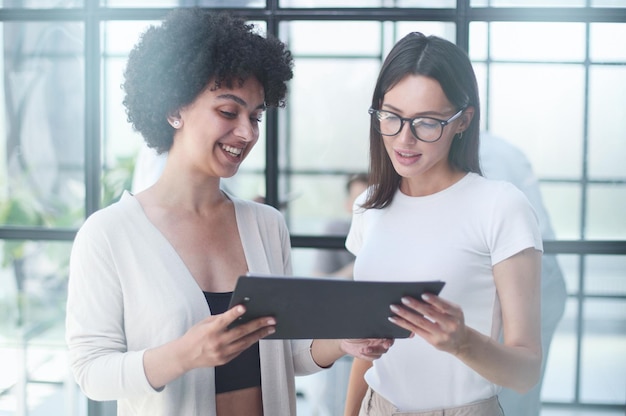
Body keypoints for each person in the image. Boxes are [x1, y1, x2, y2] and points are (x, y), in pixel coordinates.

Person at [65, 9, 392, 416]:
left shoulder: (266, 224)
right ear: (174, 109)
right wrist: (186, 353)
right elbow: (90, 370)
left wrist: (342, 341)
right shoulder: (109, 234)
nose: (248, 132)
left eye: (255, 116)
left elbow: (284, 353)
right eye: (228, 112)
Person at [343, 32, 543, 416]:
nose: (405, 138)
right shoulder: (368, 206)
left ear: (463, 121)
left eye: (427, 123)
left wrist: (463, 342)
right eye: (392, 116)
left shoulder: (501, 206)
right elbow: (367, 351)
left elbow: (526, 372)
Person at [480, 132, 567, 416]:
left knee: (511, 393)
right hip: (543, 279)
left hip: (528, 282)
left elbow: (494, 223)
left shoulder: (486, 157)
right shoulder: (500, 148)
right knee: (521, 394)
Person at [311, 172, 369, 279]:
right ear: (347, 204)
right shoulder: (335, 230)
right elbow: (318, 281)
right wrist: (358, 267)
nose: (367, 206)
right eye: (359, 200)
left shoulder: (389, 233)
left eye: (372, 200)